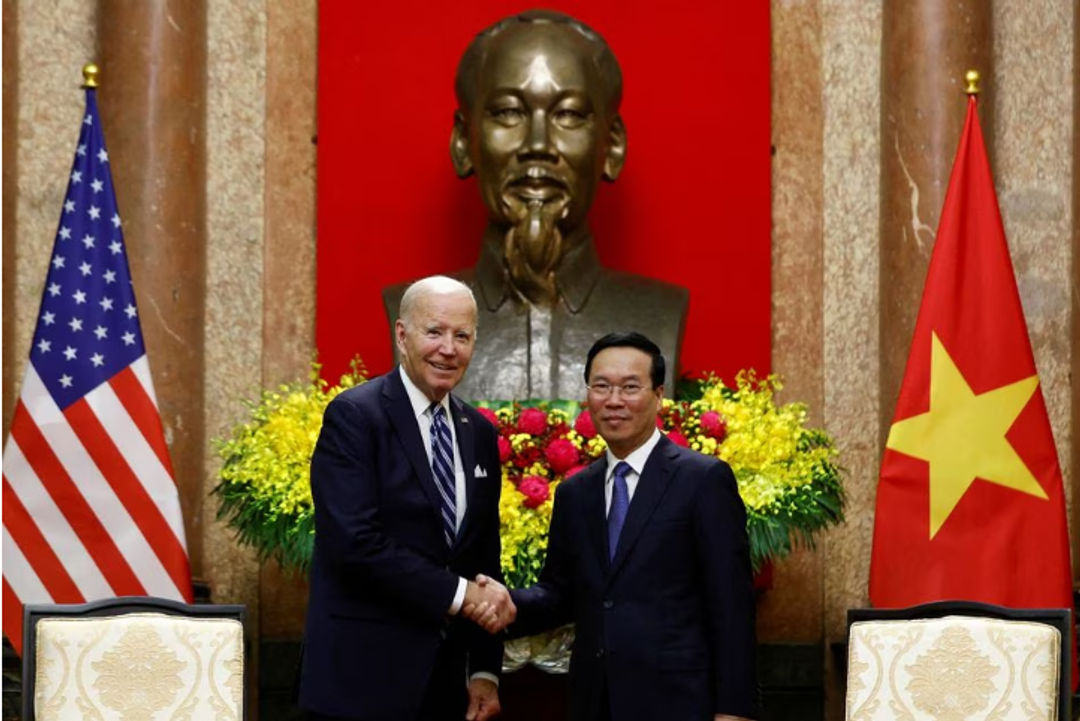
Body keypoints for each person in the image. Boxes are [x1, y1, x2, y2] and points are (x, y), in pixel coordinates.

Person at [384, 10, 688, 401]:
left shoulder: (660, 312)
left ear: (611, 145)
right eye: (509, 112)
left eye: (569, 114)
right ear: (463, 141)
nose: (538, 145)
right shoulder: (406, 312)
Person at [469, 332, 758, 721]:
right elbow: (560, 594)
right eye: (602, 387)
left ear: (658, 395)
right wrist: (500, 602)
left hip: (681, 703)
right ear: (588, 394)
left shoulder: (703, 480)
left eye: (630, 387)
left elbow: (732, 606)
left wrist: (734, 711)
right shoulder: (575, 492)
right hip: (595, 701)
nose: (614, 401)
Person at [299, 275, 516, 721]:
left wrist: (485, 671)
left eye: (462, 336)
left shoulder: (478, 432)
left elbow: (482, 556)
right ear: (402, 335)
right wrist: (461, 595)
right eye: (434, 332)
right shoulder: (355, 416)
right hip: (360, 684)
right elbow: (355, 543)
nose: (448, 349)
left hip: (444, 686)